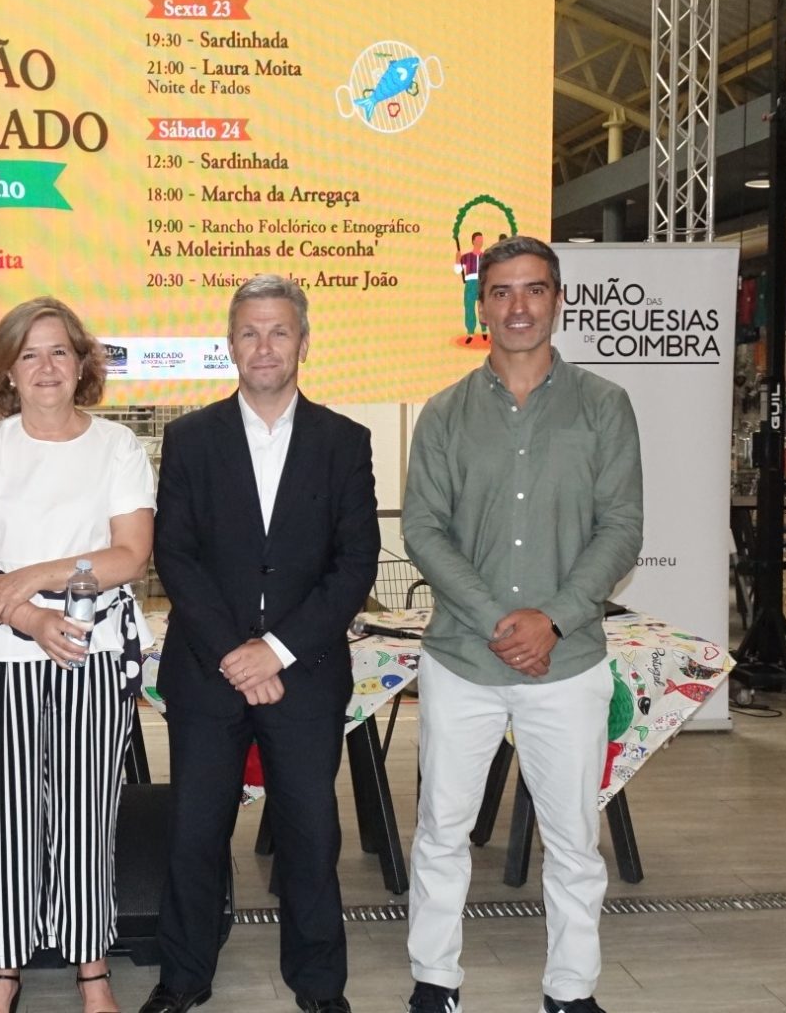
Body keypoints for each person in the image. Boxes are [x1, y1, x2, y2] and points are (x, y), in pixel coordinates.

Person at [401, 237, 644, 1013]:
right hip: (462, 661)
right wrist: (501, 619)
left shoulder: (604, 407)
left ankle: (571, 993)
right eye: (501, 292)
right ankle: (434, 984)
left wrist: (555, 619)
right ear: (481, 306)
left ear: (558, 299)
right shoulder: (443, 414)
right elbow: (422, 531)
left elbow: (622, 528)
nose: (517, 307)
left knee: (573, 840)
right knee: (441, 829)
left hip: (567, 663)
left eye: (533, 290)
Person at [140, 275, 379, 1013]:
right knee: (195, 835)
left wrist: (275, 650)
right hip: (208, 673)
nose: (264, 346)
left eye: (279, 331)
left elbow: (355, 563)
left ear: (303, 342)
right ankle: (183, 979)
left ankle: (318, 984)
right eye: (249, 332)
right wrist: (235, 653)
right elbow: (174, 556)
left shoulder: (345, 441)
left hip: (303, 674)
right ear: (230, 345)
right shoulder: (190, 438)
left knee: (311, 834)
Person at [0, 297, 155, 1013]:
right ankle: (5, 968)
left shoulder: (117, 447)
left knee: (86, 812)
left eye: (59, 351)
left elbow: (129, 555)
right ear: (6, 369)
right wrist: (28, 616)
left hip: (92, 653)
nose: (45, 367)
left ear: (83, 362)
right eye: (28, 354)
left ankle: (92, 964)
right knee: (1, 815)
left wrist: (31, 574)